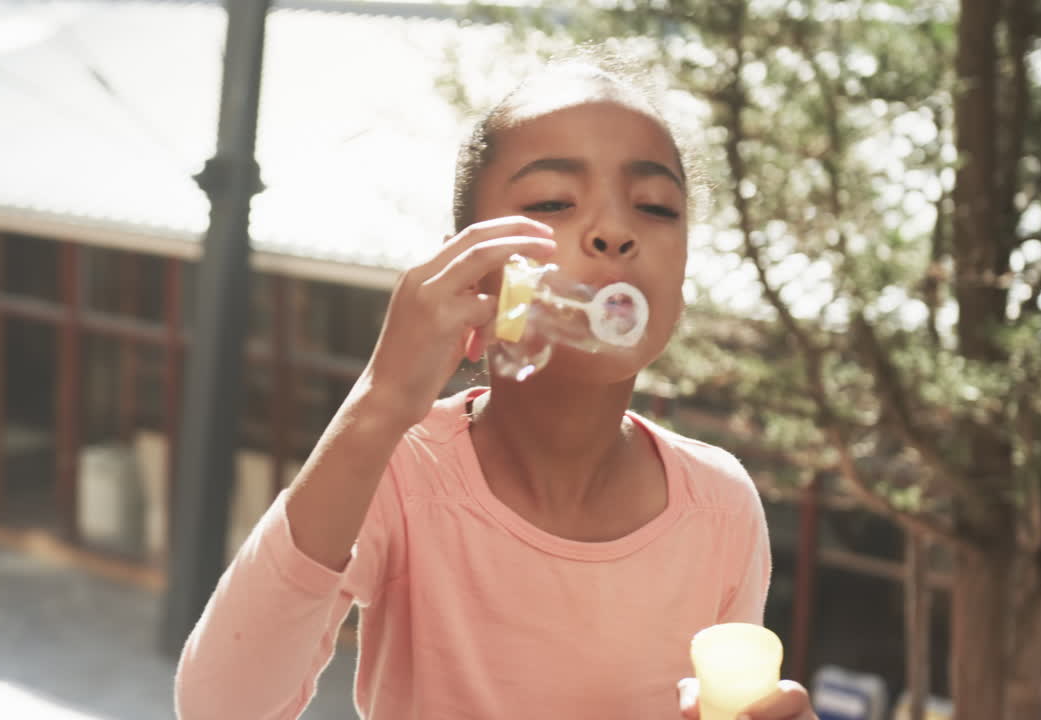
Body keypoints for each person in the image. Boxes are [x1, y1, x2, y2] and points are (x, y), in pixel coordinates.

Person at [174, 52, 818, 720]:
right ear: (470, 272)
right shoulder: (399, 471)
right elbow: (221, 708)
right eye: (552, 202)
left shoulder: (720, 506)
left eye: (656, 207)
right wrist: (380, 402)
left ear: (678, 292)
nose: (616, 231)